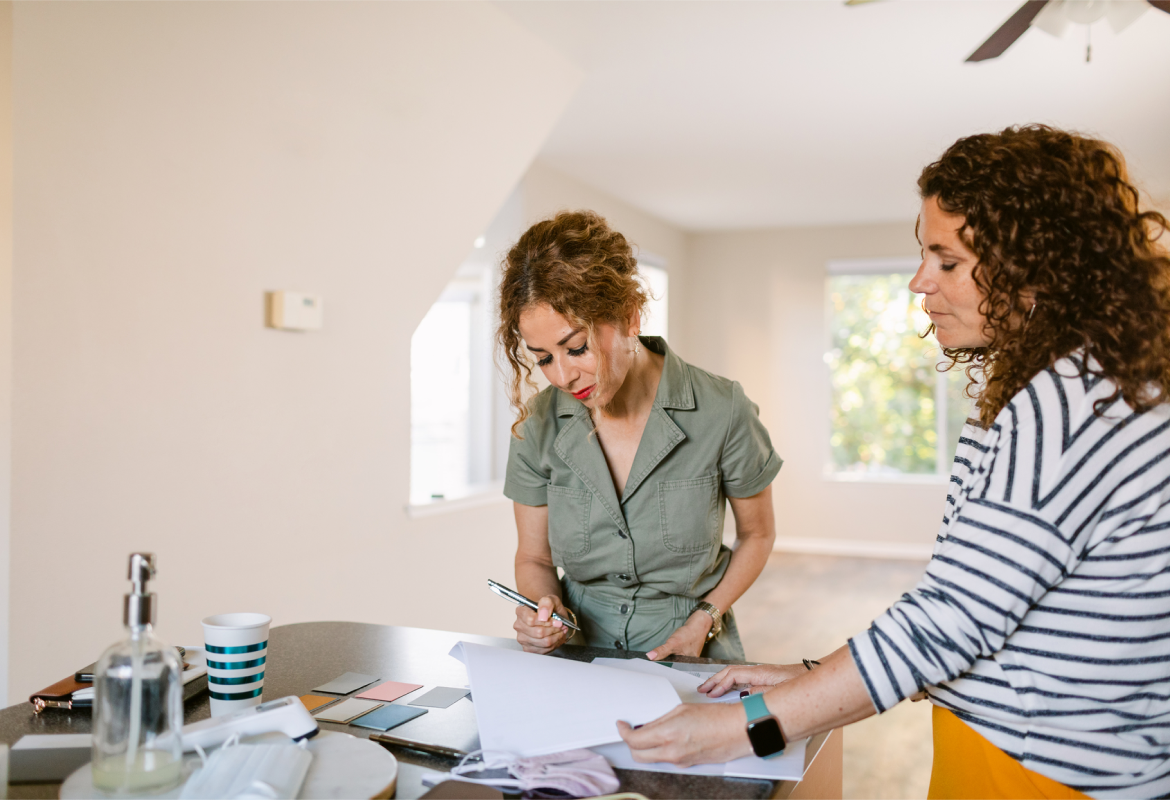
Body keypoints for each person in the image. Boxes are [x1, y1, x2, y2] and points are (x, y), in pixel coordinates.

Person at [618, 125, 1170, 799]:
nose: (919, 282)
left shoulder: (1069, 404)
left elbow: (950, 623)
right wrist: (813, 676)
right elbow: (1004, 611)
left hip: (1042, 773)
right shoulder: (1099, 385)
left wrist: (741, 726)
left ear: (1034, 267)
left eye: (946, 260)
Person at [497, 210, 782, 661]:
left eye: (576, 348)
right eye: (544, 359)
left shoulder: (722, 409)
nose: (564, 375)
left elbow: (758, 535)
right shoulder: (537, 424)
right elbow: (533, 560)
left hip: (694, 652)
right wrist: (541, 610)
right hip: (580, 658)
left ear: (630, 316)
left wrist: (705, 618)